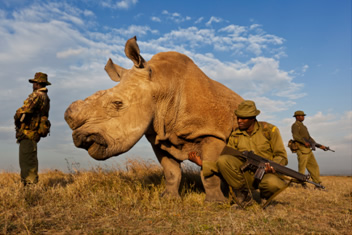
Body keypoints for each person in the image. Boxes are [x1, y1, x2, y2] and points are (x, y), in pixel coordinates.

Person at [189, 100, 288, 206]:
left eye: (243, 118)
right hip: (245, 176)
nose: (239, 120)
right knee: (223, 159)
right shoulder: (235, 135)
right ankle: (243, 196)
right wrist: (202, 164)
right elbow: (224, 163)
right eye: (238, 117)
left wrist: (273, 166)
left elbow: (281, 156)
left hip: (266, 174)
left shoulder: (269, 131)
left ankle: (265, 197)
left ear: (253, 118)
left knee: (272, 184)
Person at [14, 72, 51, 186]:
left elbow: (23, 111)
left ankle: (30, 188)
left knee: (27, 162)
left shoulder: (36, 95)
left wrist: (17, 116)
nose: (33, 85)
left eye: (34, 82)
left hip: (28, 133)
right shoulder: (46, 97)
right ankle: (30, 186)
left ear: (38, 84)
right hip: (33, 133)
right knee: (30, 160)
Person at [291, 110, 324, 189]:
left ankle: (317, 184)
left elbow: (309, 138)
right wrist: (303, 142)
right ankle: (301, 184)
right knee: (302, 169)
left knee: (314, 167)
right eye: (301, 116)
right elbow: (295, 136)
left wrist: (319, 145)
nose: (303, 117)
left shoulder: (303, 126)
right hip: (302, 150)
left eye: (303, 116)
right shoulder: (295, 125)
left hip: (308, 150)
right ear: (297, 117)